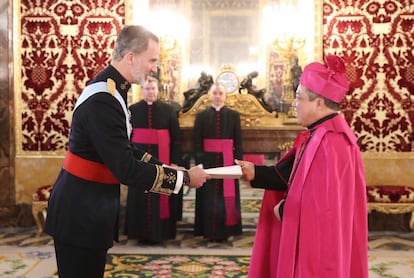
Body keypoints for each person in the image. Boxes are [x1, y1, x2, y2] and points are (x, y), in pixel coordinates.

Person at [44, 25, 210, 278]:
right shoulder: (105, 98)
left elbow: (127, 149)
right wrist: (184, 179)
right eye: (152, 60)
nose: (155, 67)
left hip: (89, 209)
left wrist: (168, 168)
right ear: (131, 56)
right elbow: (125, 168)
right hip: (80, 213)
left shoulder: (114, 91)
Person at [235, 54, 368, 278]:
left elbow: (321, 208)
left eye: (299, 97)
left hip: (319, 253)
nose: (294, 103)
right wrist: (254, 172)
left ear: (318, 102)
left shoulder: (329, 142)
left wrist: (284, 208)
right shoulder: (322, 134)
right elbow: (292, 174)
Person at [125, 76, 182, 244]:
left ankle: (162, 233)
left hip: (162, 158)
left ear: (158, 90)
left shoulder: (169, 110)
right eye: (147, 89)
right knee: (140, 195)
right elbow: (127, 137)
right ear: (141, 91)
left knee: (161, 194)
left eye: (153, 89)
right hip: (139, 160)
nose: (150, 92)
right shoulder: (133, 110)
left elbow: (176, 138)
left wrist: (175, 161)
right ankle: (140, 233)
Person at [193, 83, 243, 242]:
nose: (217, 96)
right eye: (214, 93)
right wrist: (199, 163)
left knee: (227, 196)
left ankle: (228, 230)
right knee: (207, 196)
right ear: (210, 95)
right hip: (207, 161)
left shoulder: (234, 116)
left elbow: (238, 142)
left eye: (220, 93)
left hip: (228, 161)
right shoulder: (201, 116)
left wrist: (238, 163)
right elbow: (197, 143)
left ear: (225, 95)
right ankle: (206, 230)